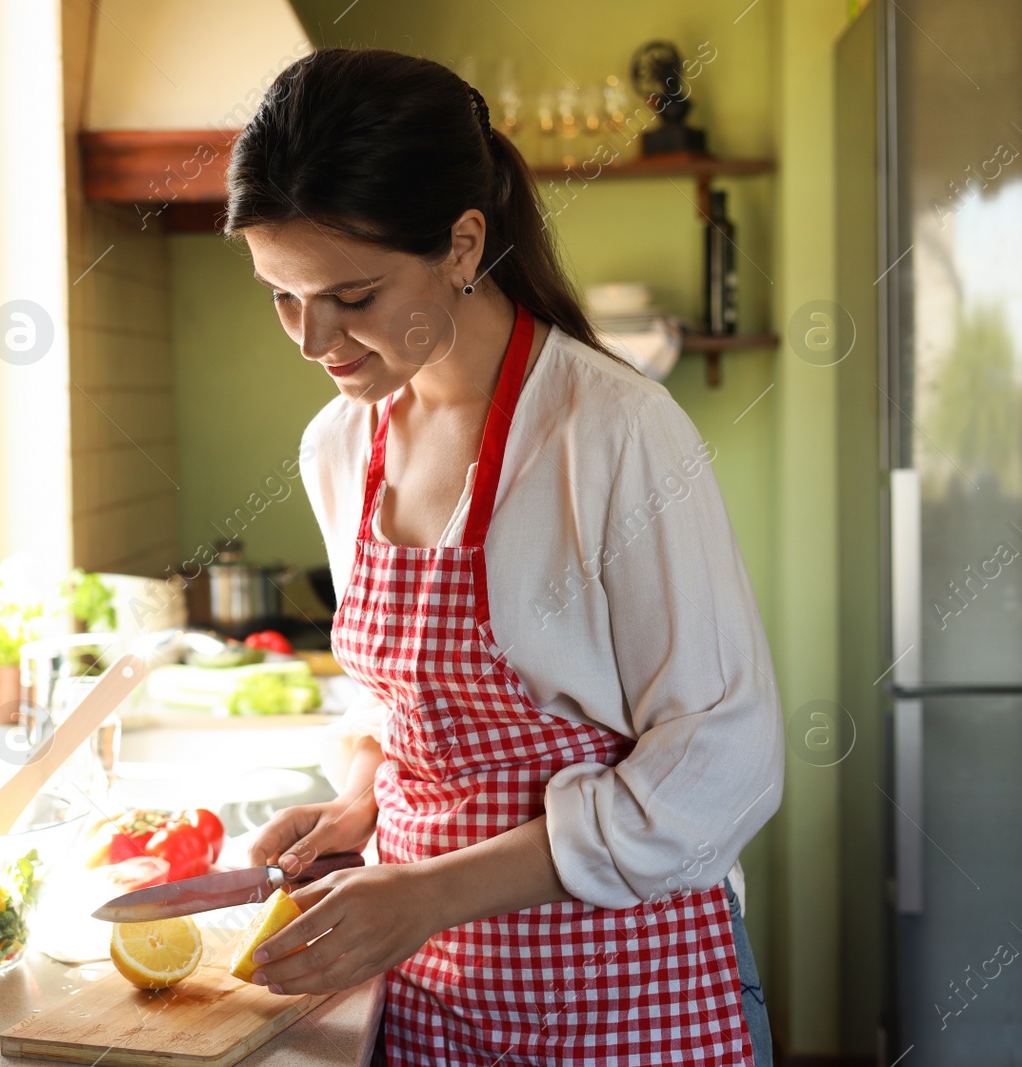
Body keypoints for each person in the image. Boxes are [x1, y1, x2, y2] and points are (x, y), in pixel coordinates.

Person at [231, 48, 782, 1065]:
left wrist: (431, 888)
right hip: (435, 995)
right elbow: (395, 698)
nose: (314, 339)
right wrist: (360, 800)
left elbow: (724, 762)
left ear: (461, 242)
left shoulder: (612, 432)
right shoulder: (339, 445)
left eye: (350, 294)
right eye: (281, 294)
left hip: (628, 995)